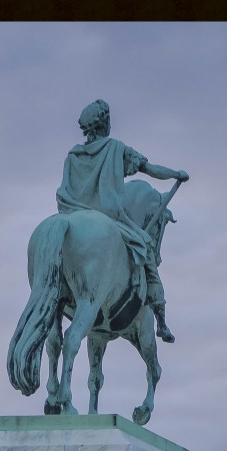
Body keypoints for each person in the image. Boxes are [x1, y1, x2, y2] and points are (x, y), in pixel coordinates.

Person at [55, 100, 187, 343]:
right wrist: (176, 174)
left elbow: (66, 189)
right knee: (146, 248)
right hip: (110, 217)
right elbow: (150, 168)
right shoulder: (116, 148)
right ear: (105, 124)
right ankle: (161, 320)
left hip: (70, 214)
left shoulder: (73, 156)